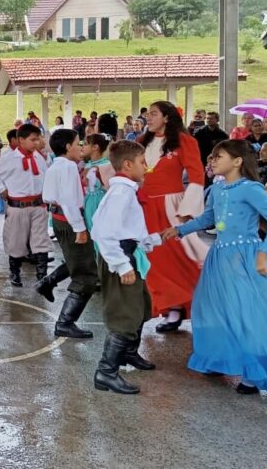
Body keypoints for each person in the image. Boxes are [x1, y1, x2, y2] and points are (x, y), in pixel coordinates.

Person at [165, 140, 267, 394]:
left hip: (246, 257)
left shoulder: (251, 189)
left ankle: (254, 373)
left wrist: (264, 254)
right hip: (220, 255)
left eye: (219, 156)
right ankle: (220, 359)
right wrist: (181, 230)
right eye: (212, 156)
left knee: (247, 314)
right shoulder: (218, 188)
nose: (212, 160)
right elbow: (209, 217)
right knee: (215, 309)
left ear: (237, 161)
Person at [90, 140, 162, 394]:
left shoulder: (126, 191)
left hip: (128, 253)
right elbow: (104, 232)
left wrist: (151, 240)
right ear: (128, 165)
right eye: (142, 162)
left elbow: (128, 228)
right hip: (119, 257)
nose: (146, 166)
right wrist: (121, 265)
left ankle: (128, 353)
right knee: (125, 315)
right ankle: (106, 371)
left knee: (140, 307)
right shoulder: (121, 193)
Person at [138, 101, 206, 333]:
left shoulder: (185, 141)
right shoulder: (142, 141)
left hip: (171, 208)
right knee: (152, 259)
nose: (148, 117)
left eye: (153, 114)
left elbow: (197, 176)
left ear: (167, 117)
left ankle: (181, 305)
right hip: (144, 207)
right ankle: (166, 305)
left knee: (176, 256)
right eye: (148, 114)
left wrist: (187, 211)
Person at [36, 128, 99, 339]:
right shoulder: (68, 167)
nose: (80, 147)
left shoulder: (57, 165)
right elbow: (69, 199)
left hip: (60, 219)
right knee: (86, 274)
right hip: (69, 220)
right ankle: (65, 322)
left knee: (77, 260)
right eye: (77, 143)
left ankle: (47, 282)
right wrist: (79, 227)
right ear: (67, 146)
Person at [0, 124, 50, 287]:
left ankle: (42, 276)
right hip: (18, 207)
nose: (37, 142)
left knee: (40, 241)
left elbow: (46, 176)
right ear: (21, 140)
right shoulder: (9, 159)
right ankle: (15, 272)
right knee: (16, 241)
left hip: (38, 205)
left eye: (38, 139)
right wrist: (2, 190)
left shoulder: (39, 157)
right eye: (33, 139)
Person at [81, 134, 113, 234]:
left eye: (85, 144)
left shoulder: (107, 165)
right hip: (89, 201)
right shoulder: (88, 165)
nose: (82, 147)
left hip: (100, 201)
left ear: (95, 147)